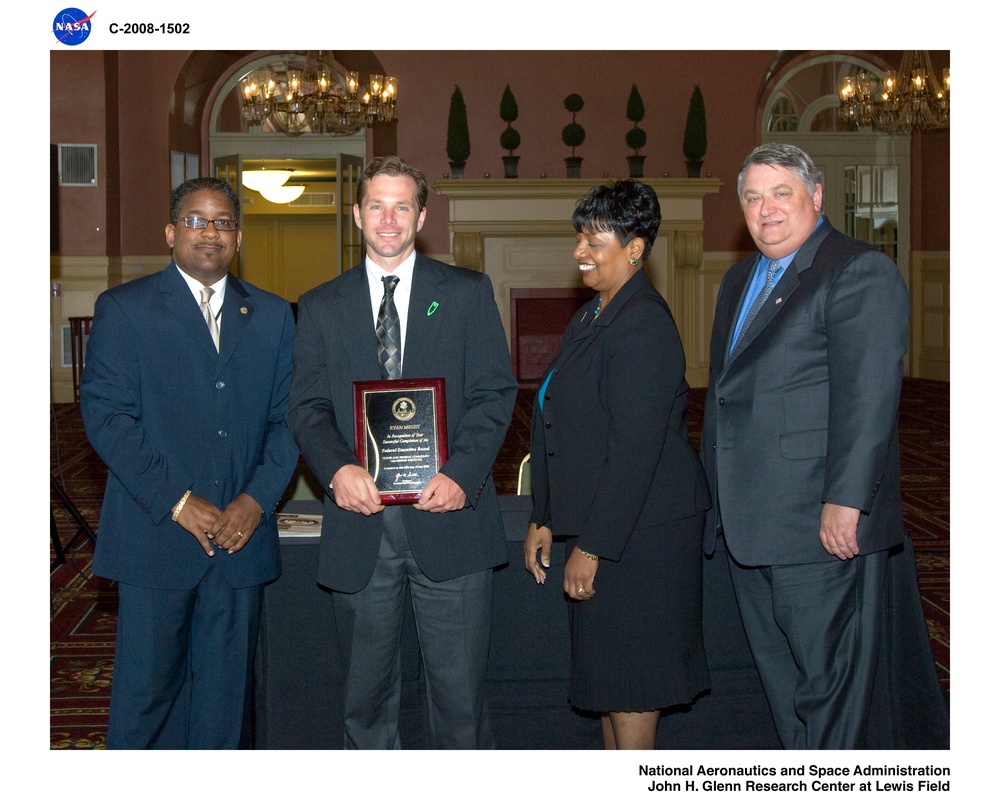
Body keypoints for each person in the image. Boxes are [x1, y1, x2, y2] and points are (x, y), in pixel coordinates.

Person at [701, 142, 942, 749]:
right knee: (782, 685)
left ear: (816, 196)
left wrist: (847, 501)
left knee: (828, 690)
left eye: (781, 193)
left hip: (818, 524)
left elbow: (869, 400)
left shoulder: (857, 270)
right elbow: (728, 396)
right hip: (749, 521)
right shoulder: (738, 279)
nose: (766, 209)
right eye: (753, 197)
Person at [286, 156, 517, 749]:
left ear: (421, 216)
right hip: (360, 528)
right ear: (357, 213)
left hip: (451, 519)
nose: (389, 219)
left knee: (460, 703)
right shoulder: (318, 306)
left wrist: (464, 472)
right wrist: (336, 466)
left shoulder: (465, 294)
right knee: (365, 706)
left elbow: (496, 392)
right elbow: (306, 407)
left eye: (402, 206)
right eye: (377, 206)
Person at [80, 176, 299, 748]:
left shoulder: (274, 317)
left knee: (227, 706)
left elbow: (289, 420)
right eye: (198, 220)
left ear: (238, 236)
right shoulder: (124, 309)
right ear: (172, 232)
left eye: (223, 222)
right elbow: (107, 418)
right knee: (147, 702)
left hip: (239, 541)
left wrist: (255, 501)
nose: (211, 232)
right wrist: (179, 501)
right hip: (156, 539)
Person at [523, 180, 711, 750]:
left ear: (635, 248)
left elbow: (635, 449)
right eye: (579, 237)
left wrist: (593, 545)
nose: (580, 251)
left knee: (631, 689)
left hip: (643, 536)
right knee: (609, 688)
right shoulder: (595, 315)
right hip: (613, 525)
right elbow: (557, 416)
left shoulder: (643, 323)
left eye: (594, 239)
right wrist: (546, 513)